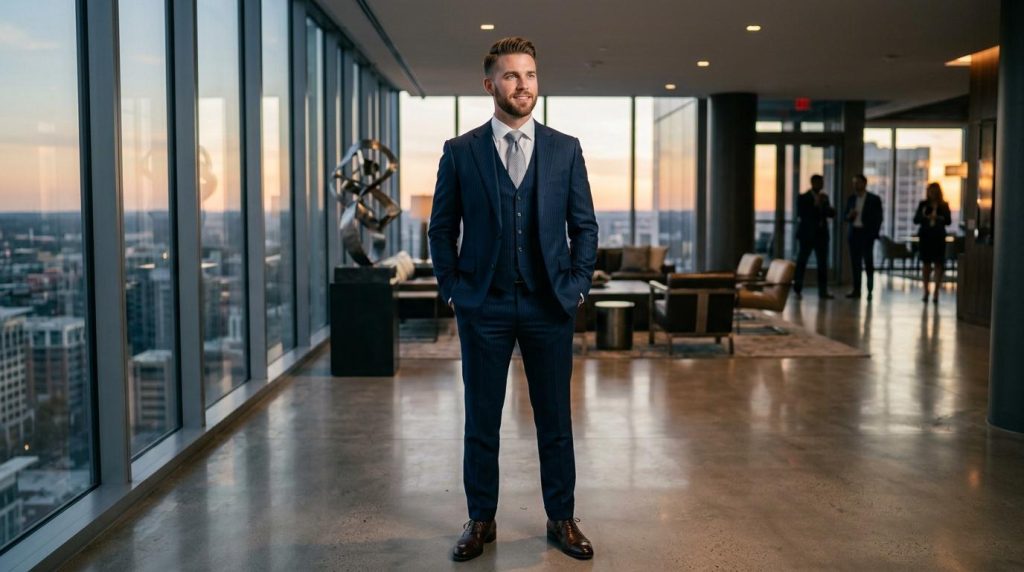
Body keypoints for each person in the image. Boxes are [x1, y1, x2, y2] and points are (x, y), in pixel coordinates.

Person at [428, 37, 598, 562]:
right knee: (482, 419)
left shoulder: (565, 149)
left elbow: (585, 227)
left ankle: (562, 518)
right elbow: (440, 230)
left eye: (529, 75)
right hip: (486, 305)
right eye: (510, 76)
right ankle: (481, 519)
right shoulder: (460, 152)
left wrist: (575, 287)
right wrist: (456, 291)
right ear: (490, 85)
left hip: (550, 305)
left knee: (554, 419)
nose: (522, 85)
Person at [794, 174, 836, 299]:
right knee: (802, 262)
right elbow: (801, 214)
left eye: (822, 183)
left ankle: (823, 292)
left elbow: (830, 214)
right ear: (813, 183)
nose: (821, 185)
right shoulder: (803, 197)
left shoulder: (825, 198)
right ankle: (797, 289)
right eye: (819, 183)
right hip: (807, 236)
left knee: (822, 264)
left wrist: (826, 208)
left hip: (821, 236)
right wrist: (815, 205)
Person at [844, 174, 883, 300]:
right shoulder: (851, 199)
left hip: (867, 235)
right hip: (854, 233)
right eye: (854, 183)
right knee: (855, 263)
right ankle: (856, 290)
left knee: (868, 262)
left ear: (865, 183)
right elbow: (844, 216)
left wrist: (873, 234)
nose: (856, 185)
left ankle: (870, 290)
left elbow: (878, 218)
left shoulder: (874, 199)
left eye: (858, 182)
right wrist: (850, 216)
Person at [914, 182, 952, 303]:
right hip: (925, 237)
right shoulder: (923, 204)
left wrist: (939, 218)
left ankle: (936, 291)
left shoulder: (944, 205)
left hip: (938, 237)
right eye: (930, 190)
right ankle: (926, 290)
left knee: (938, 264)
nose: (932, 193)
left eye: (934, 191)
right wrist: (925, 216)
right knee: (926, 264)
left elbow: (948, 221)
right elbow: (916, 219)